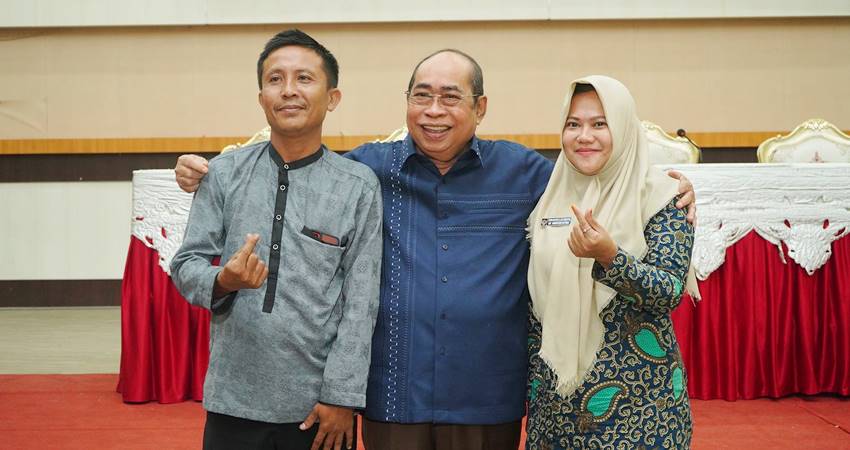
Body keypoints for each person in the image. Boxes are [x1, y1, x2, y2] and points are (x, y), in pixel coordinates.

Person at [175, 50, 696, 450]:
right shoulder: (367, 171)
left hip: (485, 394)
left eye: (451, 97)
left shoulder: (525, 173)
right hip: (393, 392)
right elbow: (300, 161)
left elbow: (595, 174)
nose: (434, 111)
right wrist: (206, 168)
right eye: (421, 96)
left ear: (480, 108)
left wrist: (674, 189)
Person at [170, 29, 382, 450]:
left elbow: (361, 301)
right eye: (275, 80)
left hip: (318, 411)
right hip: (233, 398)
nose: (289, 91)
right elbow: (186, 264)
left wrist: (341, 397)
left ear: (332, 98)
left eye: (304, 79)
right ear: (261, 97)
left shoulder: (357, 186)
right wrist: (224, 281)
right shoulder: (225, 174)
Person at [525, 76, 694, 449]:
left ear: (622, 127)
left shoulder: (664, 198)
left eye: (600, 124)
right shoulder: (545, 197)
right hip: (556, 408)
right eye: (574, 124)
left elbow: (668, 291)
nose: (584, 136)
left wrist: (610, 256)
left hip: (640, 406)